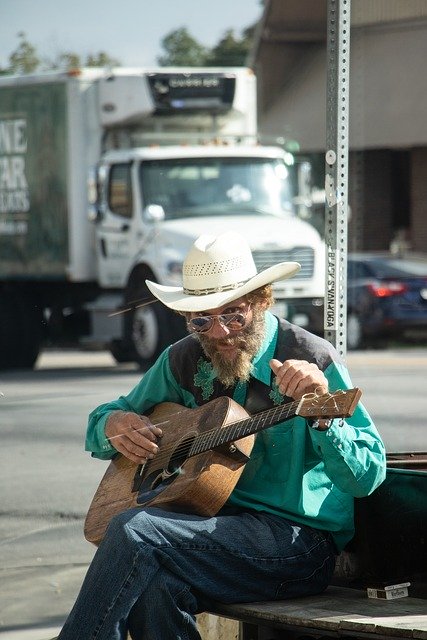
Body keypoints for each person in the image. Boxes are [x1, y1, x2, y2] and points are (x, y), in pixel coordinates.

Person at [58, 231, 386, 640]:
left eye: (234, 314)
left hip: (297, 546)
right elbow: (104, 418)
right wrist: (113, 425)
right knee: (155, 588)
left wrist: (323, 417)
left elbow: (367, 476)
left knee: (134, 529)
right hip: (207, 532)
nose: (219, 333)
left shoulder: (310, 358)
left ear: (262, 301)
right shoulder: (183, 358)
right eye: (202, 319)